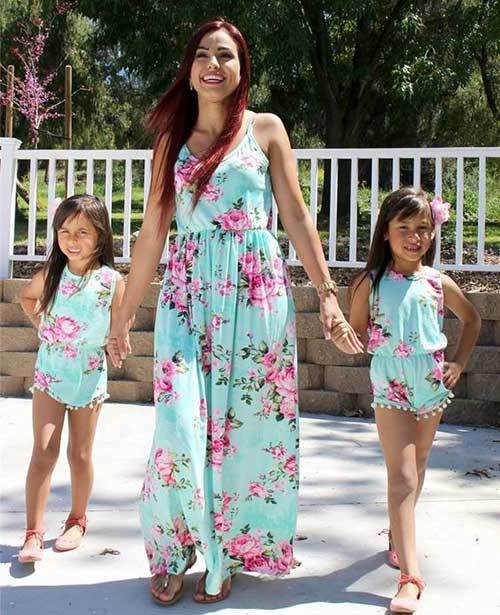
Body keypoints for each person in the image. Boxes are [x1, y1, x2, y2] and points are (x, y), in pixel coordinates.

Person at [107, 18, 362, 606]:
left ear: (242, 68)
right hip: (187, 296)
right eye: (202, 55)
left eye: (225, 55)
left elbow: (296, 216)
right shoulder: (171, 138)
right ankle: (173, 550)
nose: (213, 64)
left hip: (255, 298)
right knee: (178, 427)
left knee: (246, 432)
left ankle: (224, 555)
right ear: (189, 69)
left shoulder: (266, 129)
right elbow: (151, 233)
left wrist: (325, 294)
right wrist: (123, 314)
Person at [349, 187, 481, 613]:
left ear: (432, 232)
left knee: (420, 464)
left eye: (422, 227)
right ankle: (410, 577)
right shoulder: (369, 283)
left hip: (431, 381)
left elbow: (472, 320)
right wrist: (339, 332)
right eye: (403, 227)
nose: (413, 236)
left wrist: (459, 363)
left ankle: (395, 533)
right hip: (391, 383)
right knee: (402, 475)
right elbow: (354, 337)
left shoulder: (437, 282)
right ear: (385, 233)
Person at [17, 194, 125, 563]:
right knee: (43, 451)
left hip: (89, 374)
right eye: (64, 231)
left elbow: (118, 324)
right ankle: (33, 532)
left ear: (100, 236)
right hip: (50, 373)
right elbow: (26, 299)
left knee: (79, 454)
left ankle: (77, 520)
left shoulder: (112, 281)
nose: (72, 240)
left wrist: (116, 342)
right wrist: (43, 328)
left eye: (82, 231)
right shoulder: (52, 274)